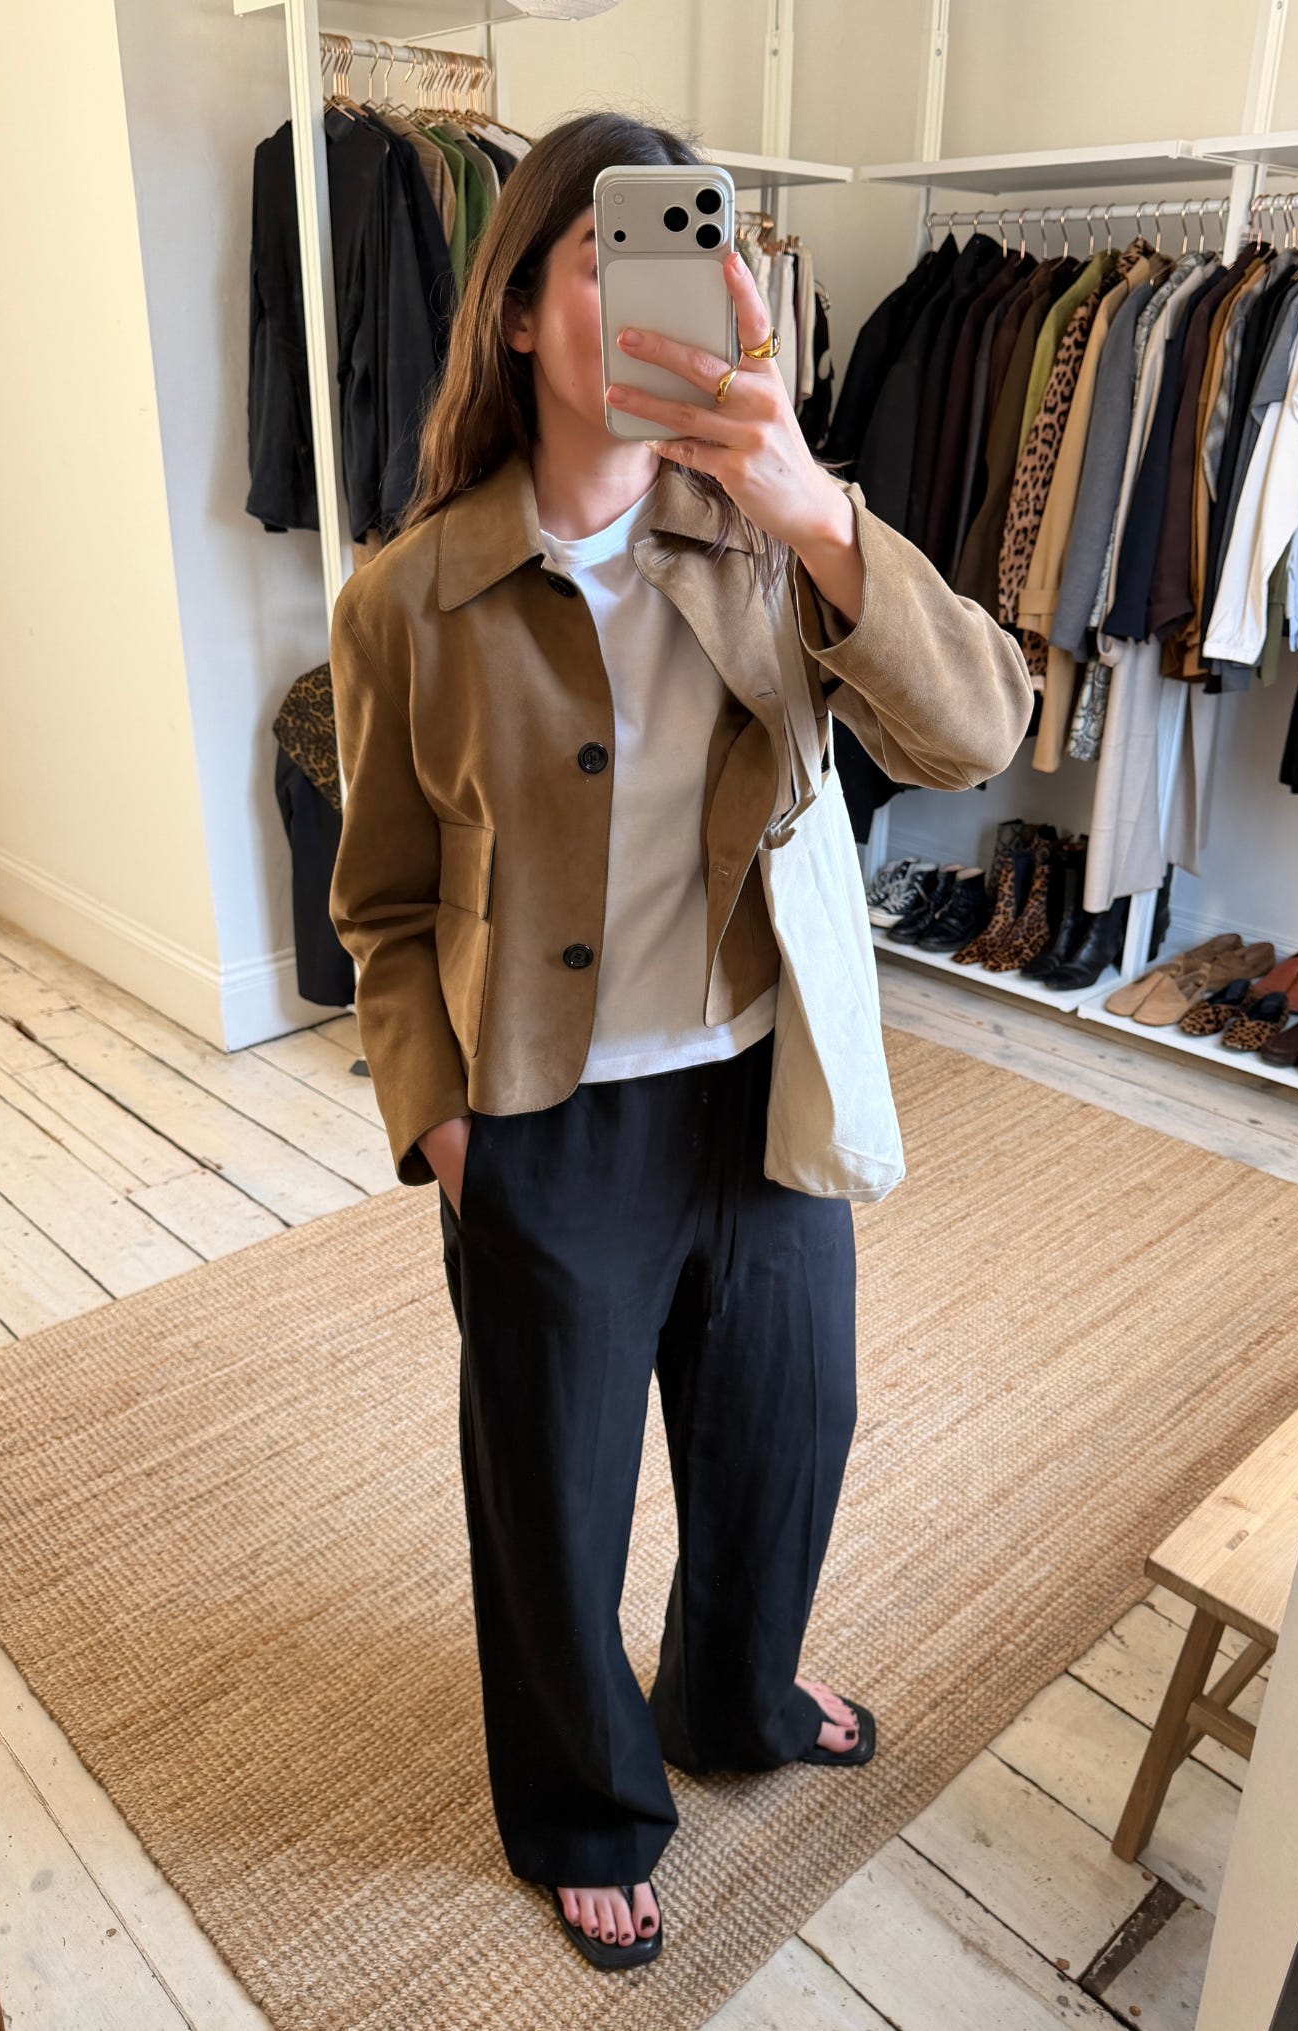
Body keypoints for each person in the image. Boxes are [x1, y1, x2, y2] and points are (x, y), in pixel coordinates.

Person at [323, 113, 1031, 1970]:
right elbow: (376, 907)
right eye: (613, 258)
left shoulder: (774, 539)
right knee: (551, 1497)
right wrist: (443, 1124)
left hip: (762, 1088)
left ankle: (734, 1697)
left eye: (701, 253)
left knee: (786, 1436)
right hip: (542, 1120)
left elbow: (976, 733)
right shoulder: (406, 599)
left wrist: (812, 505)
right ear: (516, 312)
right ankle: (581, 1804)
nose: (672, 293)